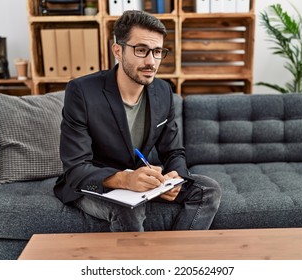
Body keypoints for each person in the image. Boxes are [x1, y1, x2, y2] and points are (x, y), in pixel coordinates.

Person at [54, 10, 222, 232]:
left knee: (207, 190)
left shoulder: (163, 91)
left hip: (140, 182)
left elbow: (174, 152)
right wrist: (125, 179)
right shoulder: (82, 91)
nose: (151, 61)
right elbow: (76, 167)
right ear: (118, 50)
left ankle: (179, 258)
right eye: (141, 50)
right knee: (128, 208)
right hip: (93, 184)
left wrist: (176, 178)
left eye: (157, 51)